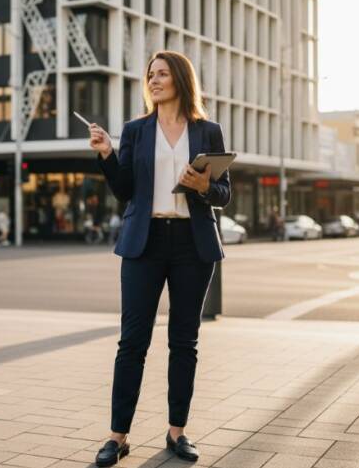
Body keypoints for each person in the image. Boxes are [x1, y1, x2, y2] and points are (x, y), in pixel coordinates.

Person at [87, 50, 231, 467]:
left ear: (180, 80)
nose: (153, 80)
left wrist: (204, 184)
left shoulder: (208, 131)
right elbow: (124, 188)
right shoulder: (136, 130)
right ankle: (117, 437)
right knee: (132, 342)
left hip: (193, 244)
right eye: (150, 74)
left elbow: (224, 194)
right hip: (144, 243)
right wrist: (107, 154)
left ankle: (177, 433)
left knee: (184, 342)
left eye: (162, 74)